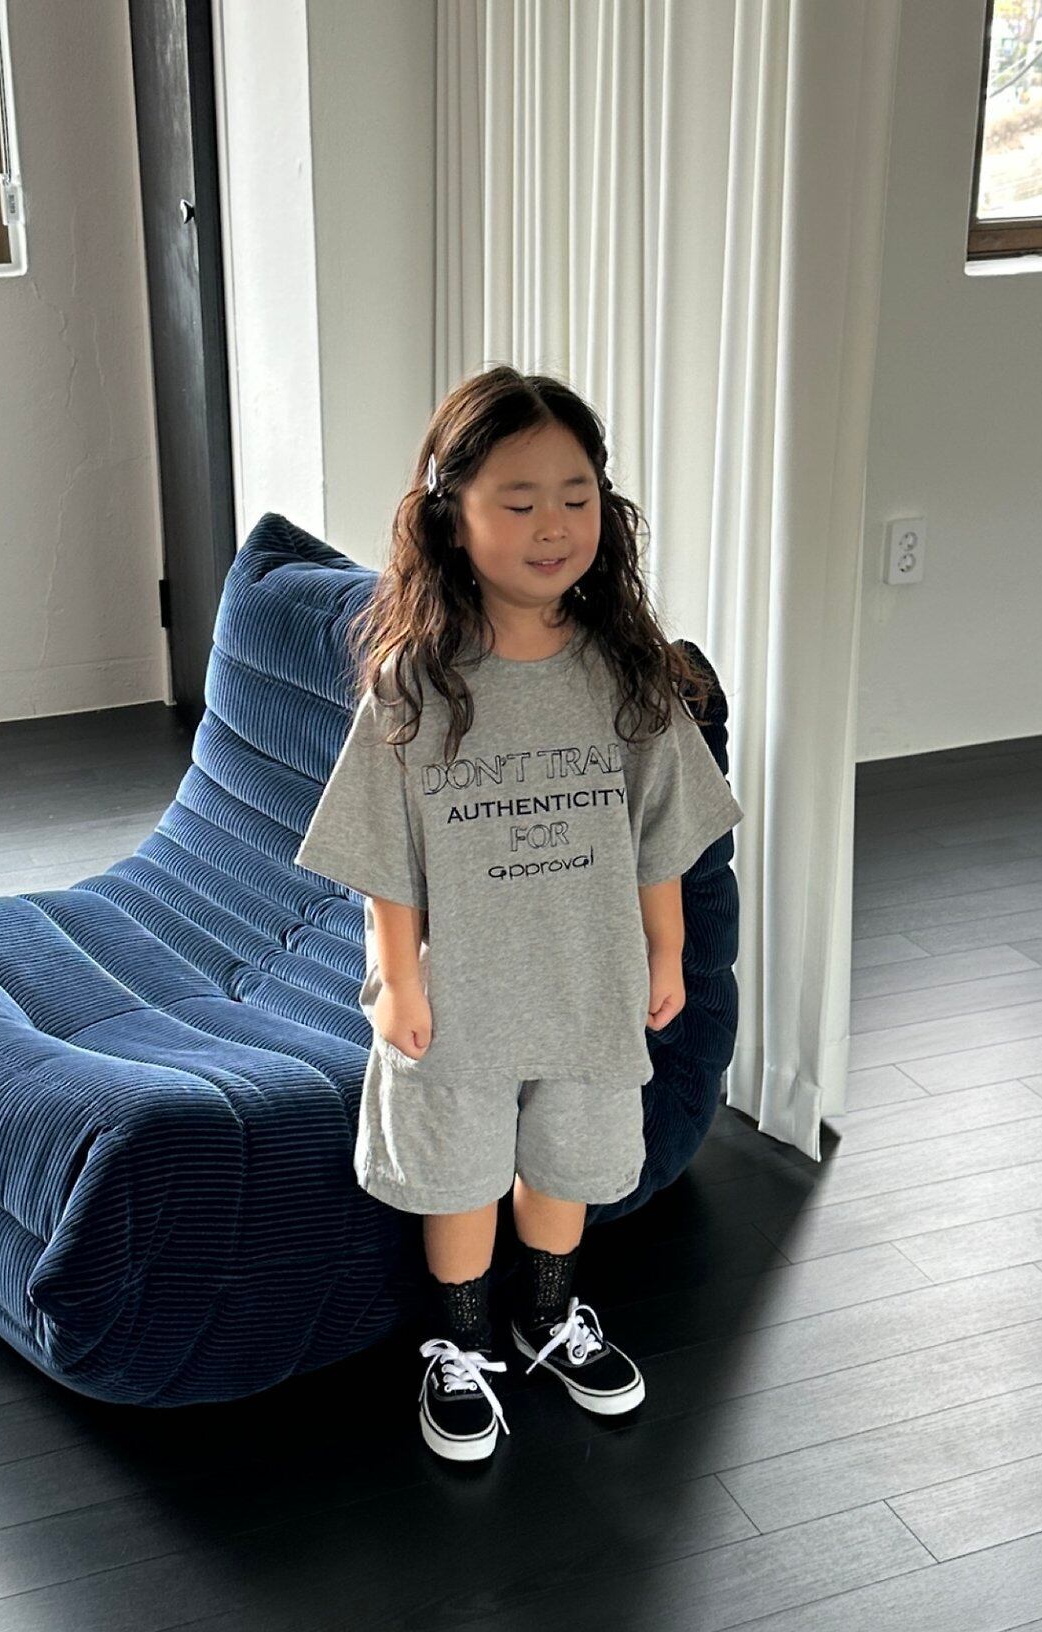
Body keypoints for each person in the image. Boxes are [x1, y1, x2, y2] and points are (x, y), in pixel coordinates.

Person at [294, 365, 744, 1463]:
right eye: (520, 499)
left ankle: (546, 1317)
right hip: (459, 993)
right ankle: (458, 1346)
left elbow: (657, 836)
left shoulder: (628, 676)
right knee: (455, 1172)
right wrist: (397, 979)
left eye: (575, 496)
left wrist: (668, 950)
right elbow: (385, 857)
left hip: (588, 979)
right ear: (451, 515)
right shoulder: (412, 683)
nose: (553, 525)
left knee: (567, 1162)